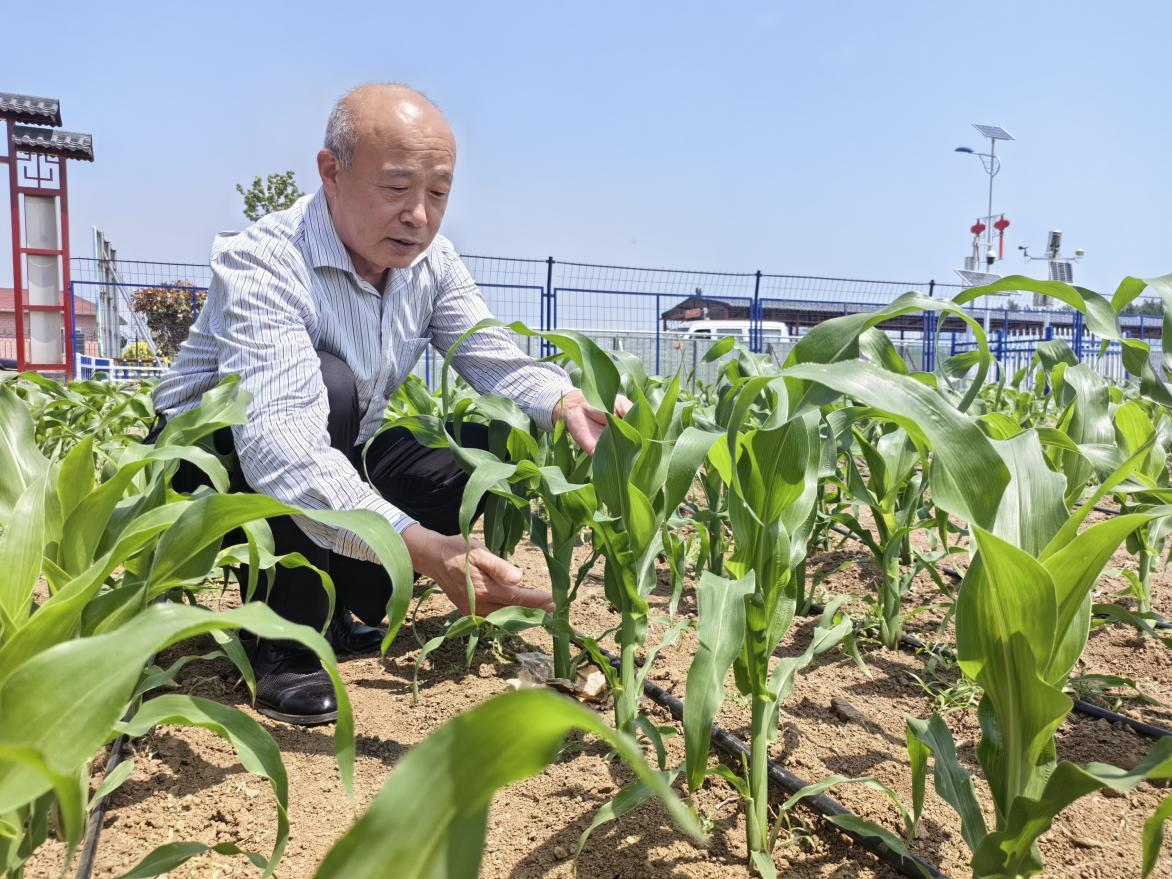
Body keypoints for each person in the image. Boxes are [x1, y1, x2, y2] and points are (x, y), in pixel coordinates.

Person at [152, 83, 628, 725]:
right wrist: (420, 547)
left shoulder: (432, 264)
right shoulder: (266, 261)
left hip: (332, 442)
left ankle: (342, 604)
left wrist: (567, 401)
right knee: (330, 387)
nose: (419, 216)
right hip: (209, 464)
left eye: (438, 193)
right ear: (332, 172)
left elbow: (491, 357)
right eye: (397, 187)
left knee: (479, 453)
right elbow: (279, 445)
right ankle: (286, 642)